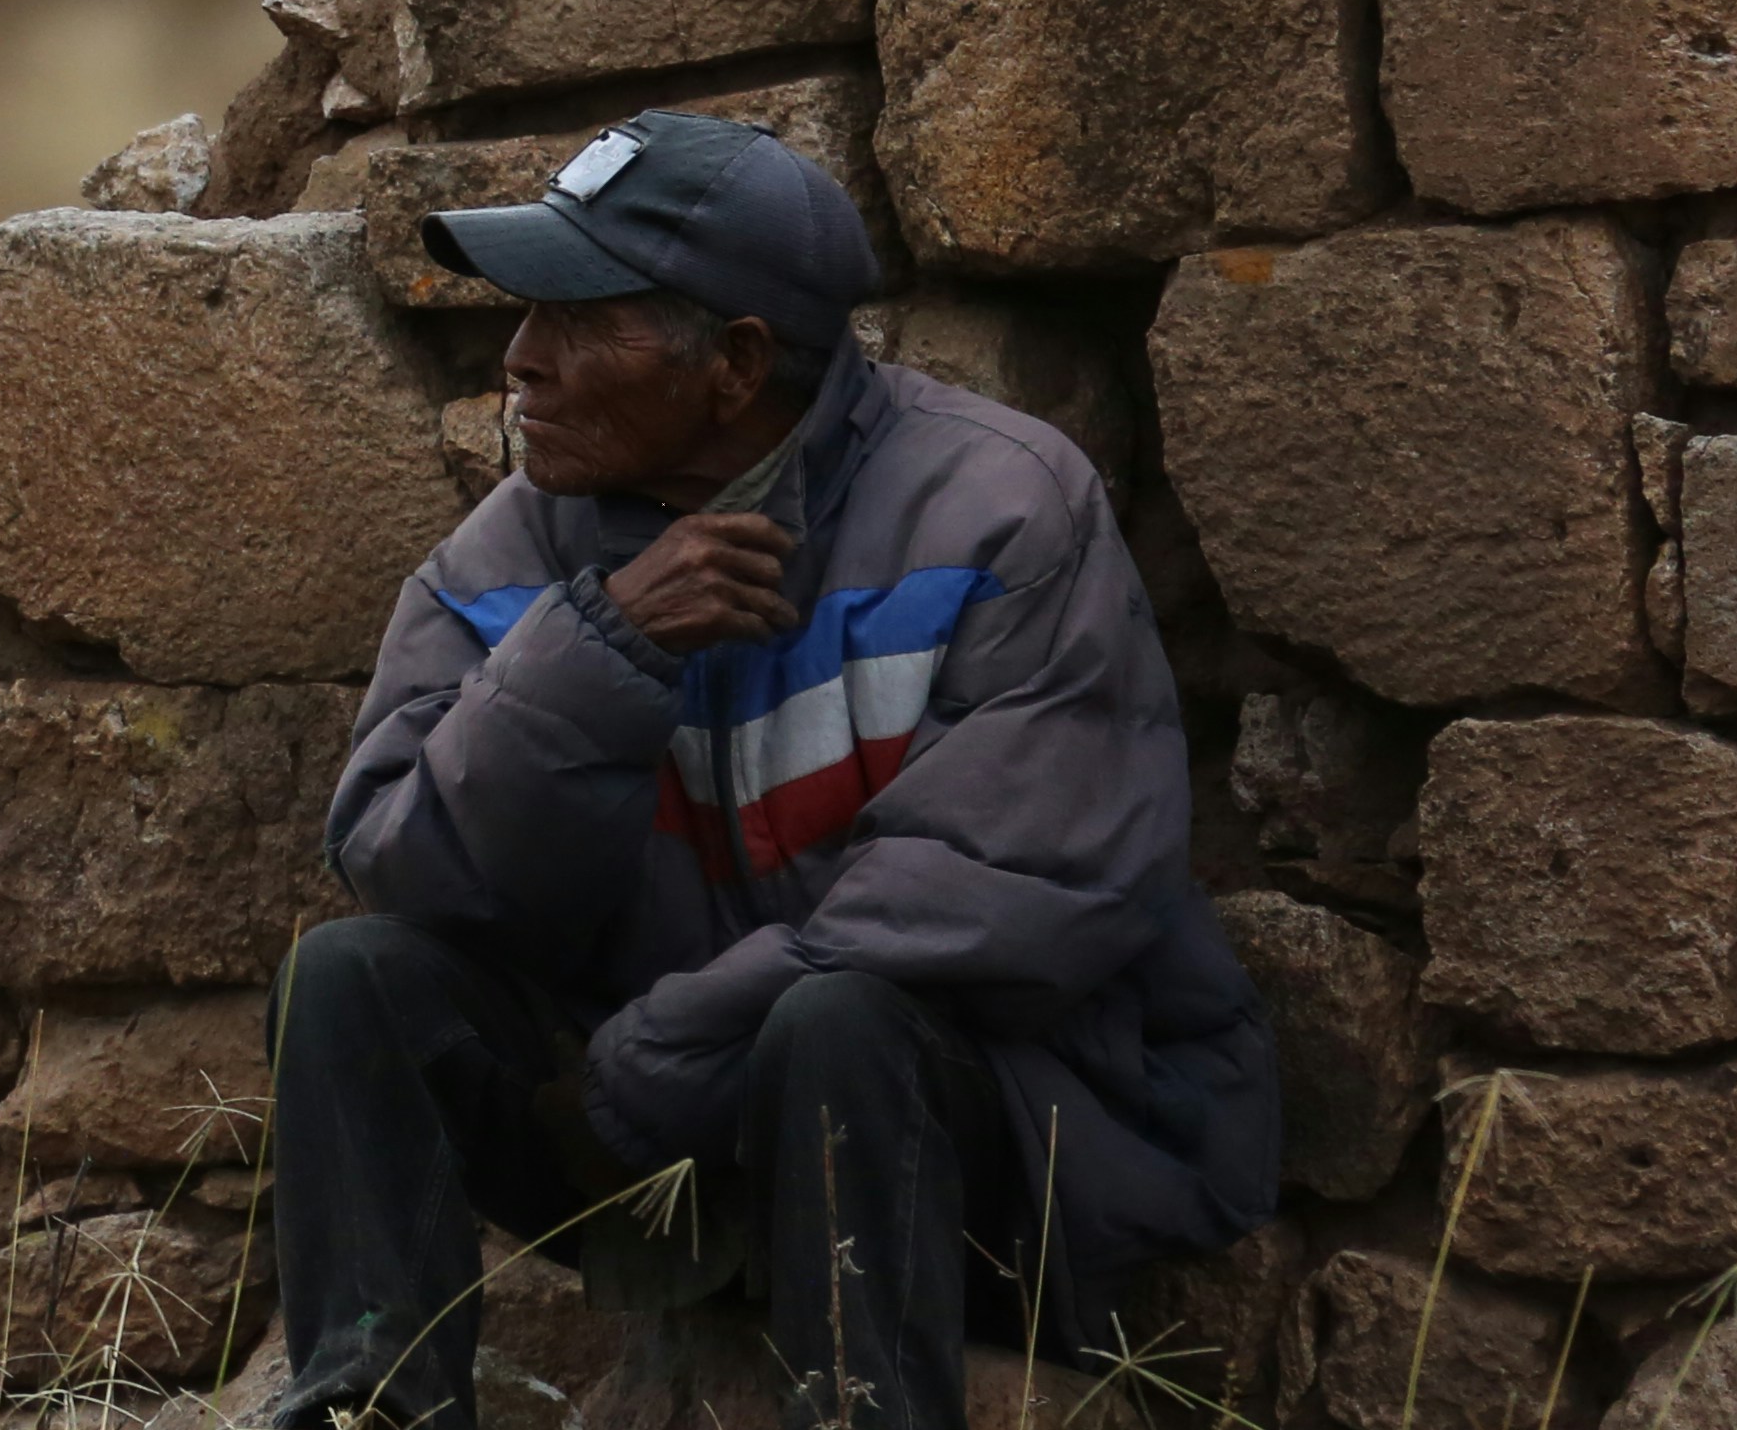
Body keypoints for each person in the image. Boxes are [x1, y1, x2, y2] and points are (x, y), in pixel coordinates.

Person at [267, 110, 1275, 1430]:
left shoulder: (999, 506)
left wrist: (665, 1052)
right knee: (351, 977)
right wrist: (604, 646)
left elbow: (1008, 890)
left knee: (839, 1018)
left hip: (983, 1157)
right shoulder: (514, 551)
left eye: (580, 317)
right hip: (659, 1134)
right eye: (527, 313)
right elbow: (404, 859)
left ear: (738, 361)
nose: (522, 359)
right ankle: (366, 1409)